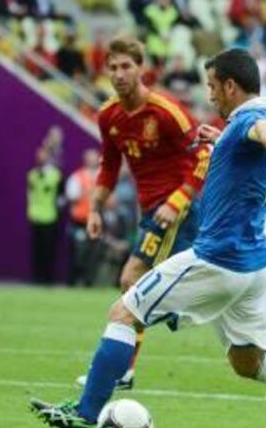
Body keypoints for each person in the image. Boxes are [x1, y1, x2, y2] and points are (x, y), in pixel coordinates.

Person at [30, 48, 266, 428]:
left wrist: (257, 134)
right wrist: (228, 138)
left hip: (218, 259)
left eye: (213, 86)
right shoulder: (256, 120)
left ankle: (85, 415)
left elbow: (258, 130)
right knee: (250, 362)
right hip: (253, 266)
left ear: (230, 85)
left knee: (125, 311)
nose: (210, 95)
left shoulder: (253, 119)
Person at [75, 36, 209, 390]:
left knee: (131, 280)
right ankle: (179, 314)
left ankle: (121, 369)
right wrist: (95, 209)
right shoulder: (109, 116)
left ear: (141, 68)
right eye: (113, 67)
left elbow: (203, 157)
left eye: (126, 66)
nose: (119, 74)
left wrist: (177, 202)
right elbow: (108, 166)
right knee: (149, 287)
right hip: (150, 211)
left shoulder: (167, 111)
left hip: (176, 209)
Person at [66, 149, 101, 286]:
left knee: (92, 254)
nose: (92, 160)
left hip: (95, 222)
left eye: (95, 157)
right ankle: (73, 282)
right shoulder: (77, 177)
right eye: (90, 158)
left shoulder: (101, 177)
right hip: (79, 221)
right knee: (77, 253)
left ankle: (89, 282)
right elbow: (72, 196)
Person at [27, 146, 62, 285]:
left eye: (43, 155)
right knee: (37, 249)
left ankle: (48, 279)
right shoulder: (32, 175)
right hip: (36, 215)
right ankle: (37, 278)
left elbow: (61, 195)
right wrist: (29, 211)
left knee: (49, 249)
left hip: (50, 215)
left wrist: (58, 208)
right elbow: (30, 195)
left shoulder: (56, 175)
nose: (40, 157)